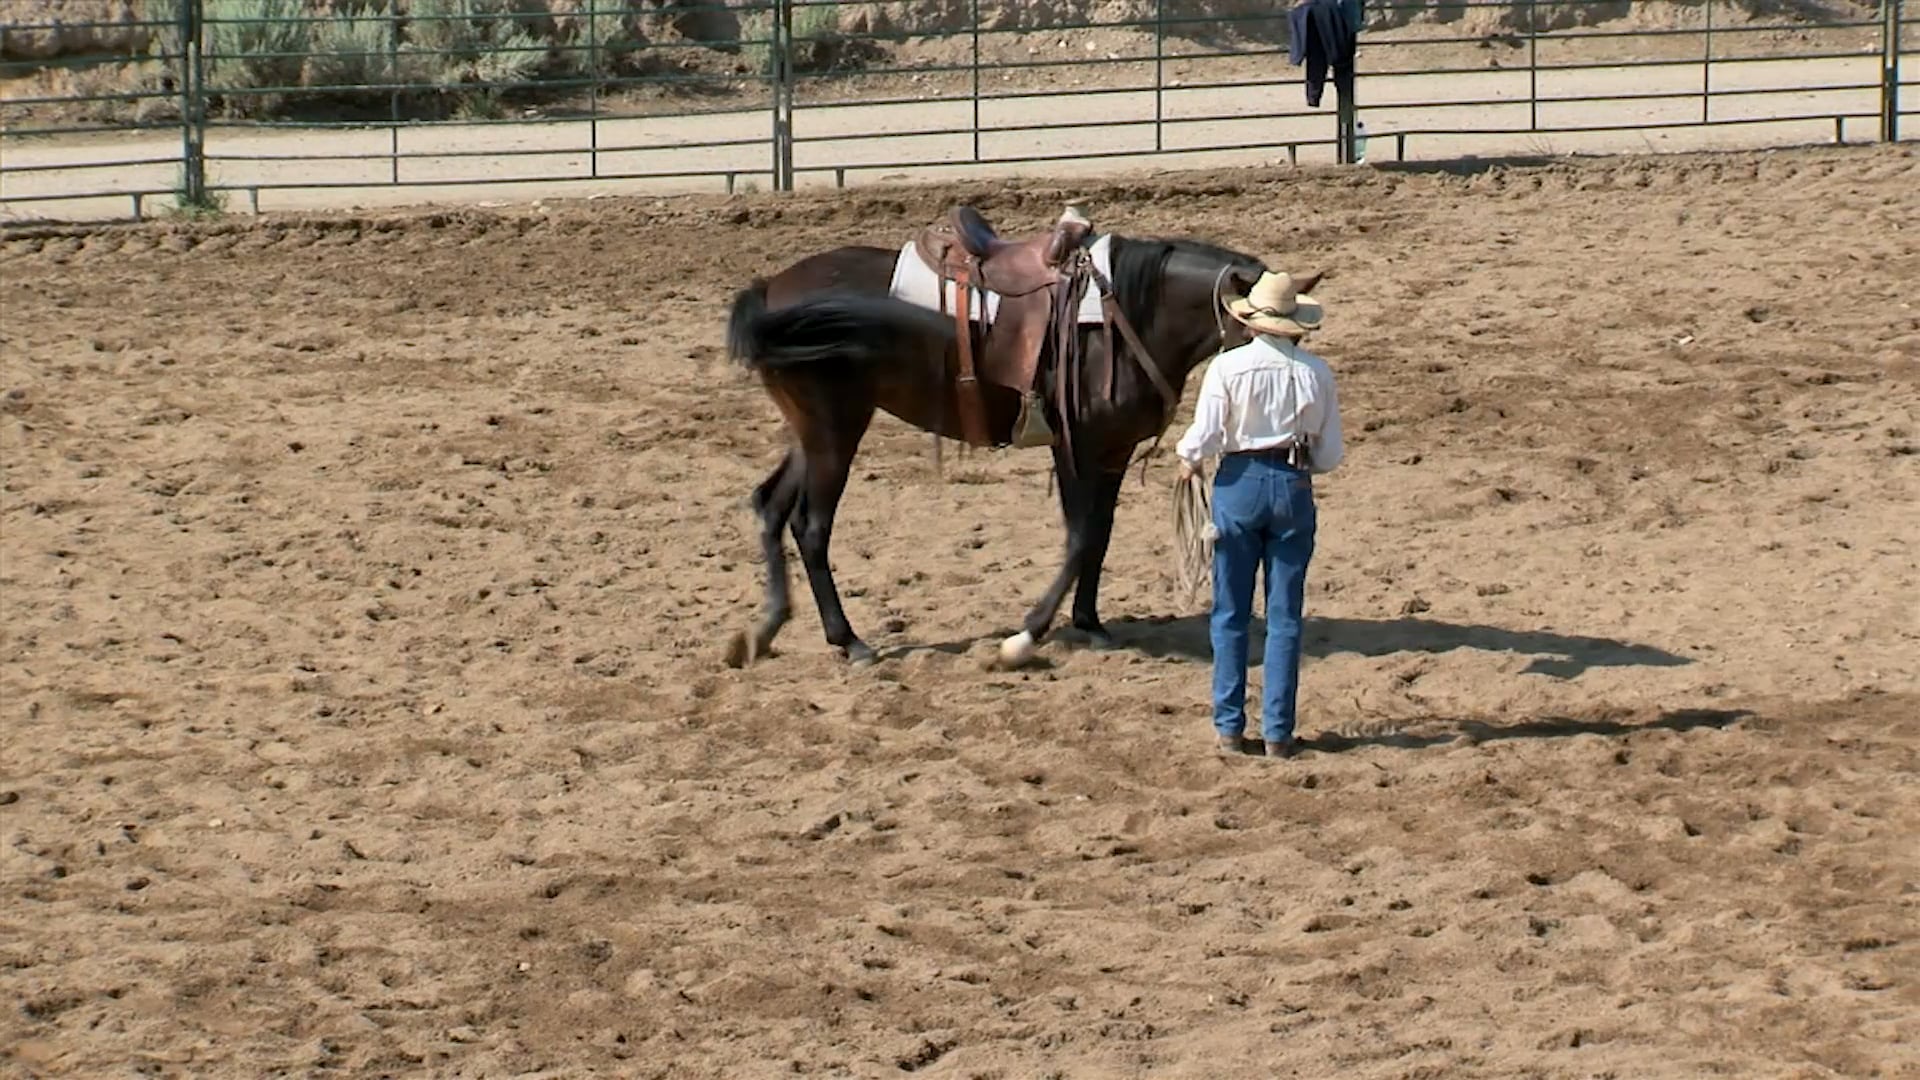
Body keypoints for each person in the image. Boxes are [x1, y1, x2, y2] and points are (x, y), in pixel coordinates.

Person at [1174, 269, 1345, 758]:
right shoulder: (1316, 373)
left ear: (1250, 321)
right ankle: (1278, 732)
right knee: (1285, 615)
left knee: (1230, 610)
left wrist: (1187, 459)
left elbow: (1203, 436)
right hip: (1292, 485)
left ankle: (1229, 726)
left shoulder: (1227, 369)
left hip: (1238, 484)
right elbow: (1329, 456)